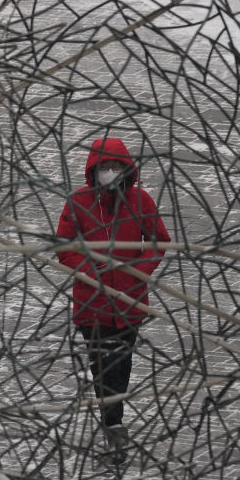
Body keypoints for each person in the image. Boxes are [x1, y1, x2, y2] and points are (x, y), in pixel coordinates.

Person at [56, 137, 170, 462]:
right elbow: (63, 247)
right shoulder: (78, 202)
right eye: (105, 167)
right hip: (92, 307)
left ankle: (113, 423)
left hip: (129, 303)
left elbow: (160, 241)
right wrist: (92, 270)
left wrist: (139, 269)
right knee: (102, 368)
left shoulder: (142, 201)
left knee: (121, 366)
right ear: (94, 170)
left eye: (116, 167)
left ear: (126, 170)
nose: (110, 172)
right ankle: (114, 427)